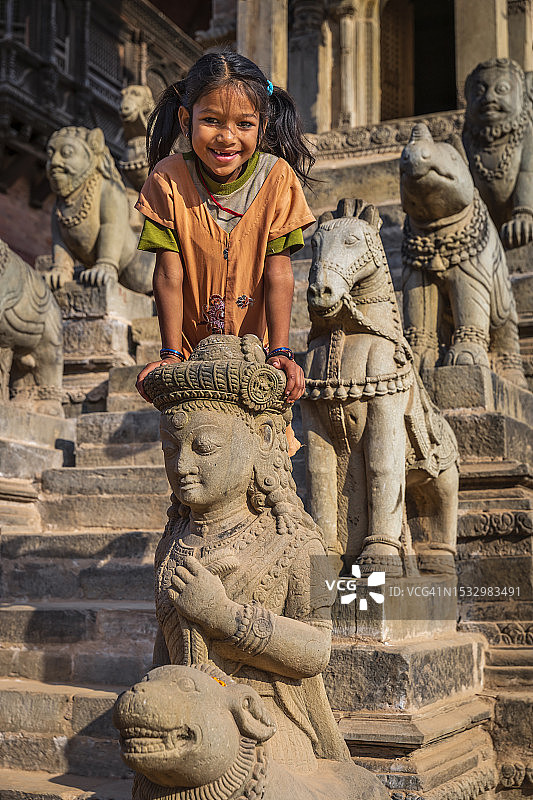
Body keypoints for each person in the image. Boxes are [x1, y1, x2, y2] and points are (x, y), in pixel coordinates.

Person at [142, 334, 351, 774]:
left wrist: (224, 617)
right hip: (185, 721)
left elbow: (316, 649)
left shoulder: (297, 540)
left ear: (264, 436)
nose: (181, 465)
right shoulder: (175, 538)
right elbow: (167, 644)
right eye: (170, 447)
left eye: (204, 447)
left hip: (264, 725)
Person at [134, 51, 316, 409]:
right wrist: (171, 354)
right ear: (186, 121)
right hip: (192, 358)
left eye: (244, 125)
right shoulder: (167, 179)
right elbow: (169, 274)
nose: (227, 137)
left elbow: (278, 272)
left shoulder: (277, 179)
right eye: (212, 121)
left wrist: (281, 351)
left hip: (256, 358)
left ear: (262, 125)